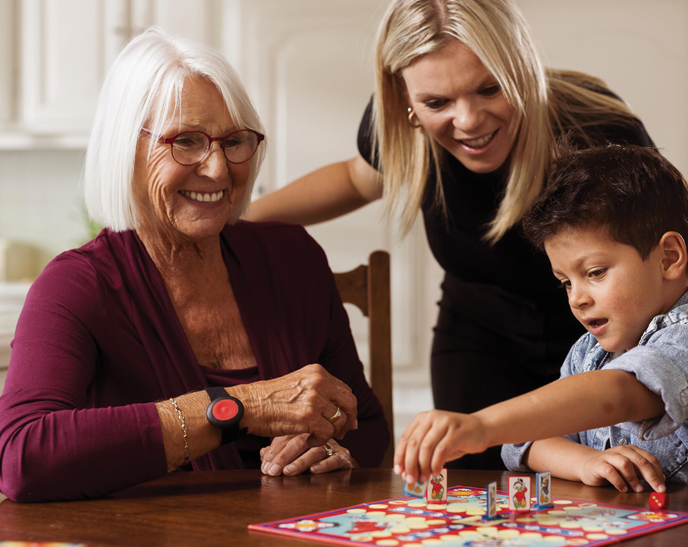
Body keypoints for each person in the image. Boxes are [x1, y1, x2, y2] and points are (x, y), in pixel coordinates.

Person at [246, 0, 654, 470]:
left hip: (601, 338)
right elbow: (359, 179)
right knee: (472, 497)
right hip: (479, 336)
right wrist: (236, 221)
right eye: (437, 102)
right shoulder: (401, 127)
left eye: (489, 88)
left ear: (520, 68)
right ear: (407, 101)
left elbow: (655, 264)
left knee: (604, 489)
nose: (468, 120)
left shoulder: (600, 132)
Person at [0, 29, 389, 503]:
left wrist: (332, 446)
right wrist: (239, 407)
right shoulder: (76, 286)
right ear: (126, 149)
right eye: (187, 141)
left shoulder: (294, 257)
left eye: (234, 141)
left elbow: (365, 420)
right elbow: (21, 457)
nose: (219, 170)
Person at [392, 143, 688, 502]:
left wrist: (481, 425)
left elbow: (621, 394)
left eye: (594, 273)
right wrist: (586, 461)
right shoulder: (588, 354)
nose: (577, 297)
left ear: (668, 258)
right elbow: (525, 441)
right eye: (564, 282)